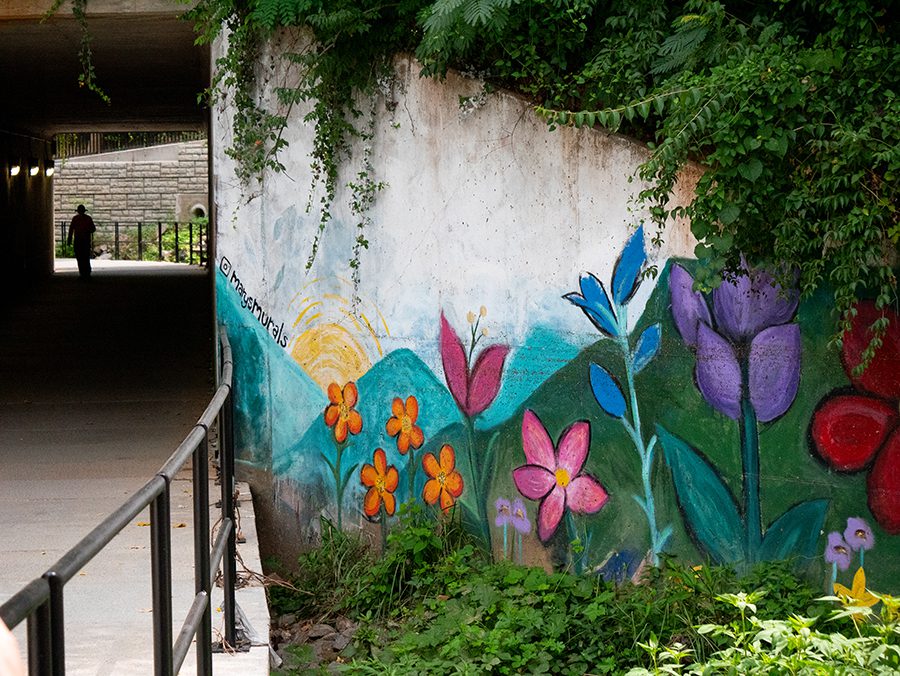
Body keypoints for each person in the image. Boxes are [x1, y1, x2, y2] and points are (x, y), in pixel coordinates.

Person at [67, 204, 96, 279]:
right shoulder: (88, 218)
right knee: (85, 257)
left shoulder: (75, 219)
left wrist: (69, 240)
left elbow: (71, 230)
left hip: (78, 241)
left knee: (80, 257)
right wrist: (87, 230)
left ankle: (83, 273)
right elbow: (93, 229)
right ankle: (87, 272)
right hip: (85, 240)